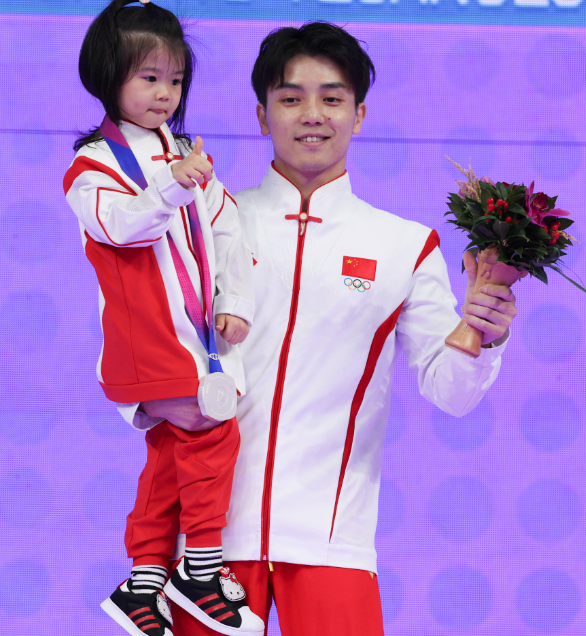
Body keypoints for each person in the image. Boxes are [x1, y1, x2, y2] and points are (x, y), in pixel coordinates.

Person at [154, 22, 520, 636]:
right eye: (290, 97)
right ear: (261, 115)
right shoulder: (203, 222)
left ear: (360, 114)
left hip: (332, 541)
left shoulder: (403, 245)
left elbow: (451, 393)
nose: (312, 115)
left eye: (332, 97)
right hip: (206, 542)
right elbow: (144, 342)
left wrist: (487, 331)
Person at [63, 2, 264, 635]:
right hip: (147, 341)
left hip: (198, 341)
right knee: (211, 430)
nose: (165, 93)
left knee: (170, 455)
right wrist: (175, 185)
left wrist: (233, 301)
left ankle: (144, 580)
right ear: (108, 76)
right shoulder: (92, 166)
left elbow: (227, 226)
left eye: (174, 80)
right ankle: (199, 571)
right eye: (149, 77)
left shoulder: (185, 152)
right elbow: (121, 227)